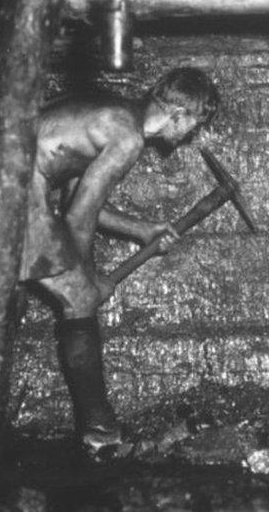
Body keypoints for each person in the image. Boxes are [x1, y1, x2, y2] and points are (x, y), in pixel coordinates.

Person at [21, 67, 219, 454]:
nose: (190, 135)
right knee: (79, 299)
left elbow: (77, 201)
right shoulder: (128, 139)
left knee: (65, 294)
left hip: (4, 179)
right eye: (193, 125)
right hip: (14, 187)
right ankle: (101, 434)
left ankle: (99, 430)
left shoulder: (119, 116)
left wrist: (142, 229)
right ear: (179, 115)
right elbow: (78, 218)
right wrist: (90, 281)